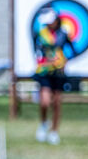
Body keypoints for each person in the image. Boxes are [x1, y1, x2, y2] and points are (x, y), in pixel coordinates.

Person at [32, 8, 74, 145]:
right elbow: (37, 54)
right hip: (44, 72)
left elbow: (72, 50)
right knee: (44, 101)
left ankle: (54, 131)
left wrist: (64, 61)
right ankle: (44, 123)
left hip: (58, 73)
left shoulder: (63, 33)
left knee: (56, 102)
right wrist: (46, 61)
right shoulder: (40, 34)